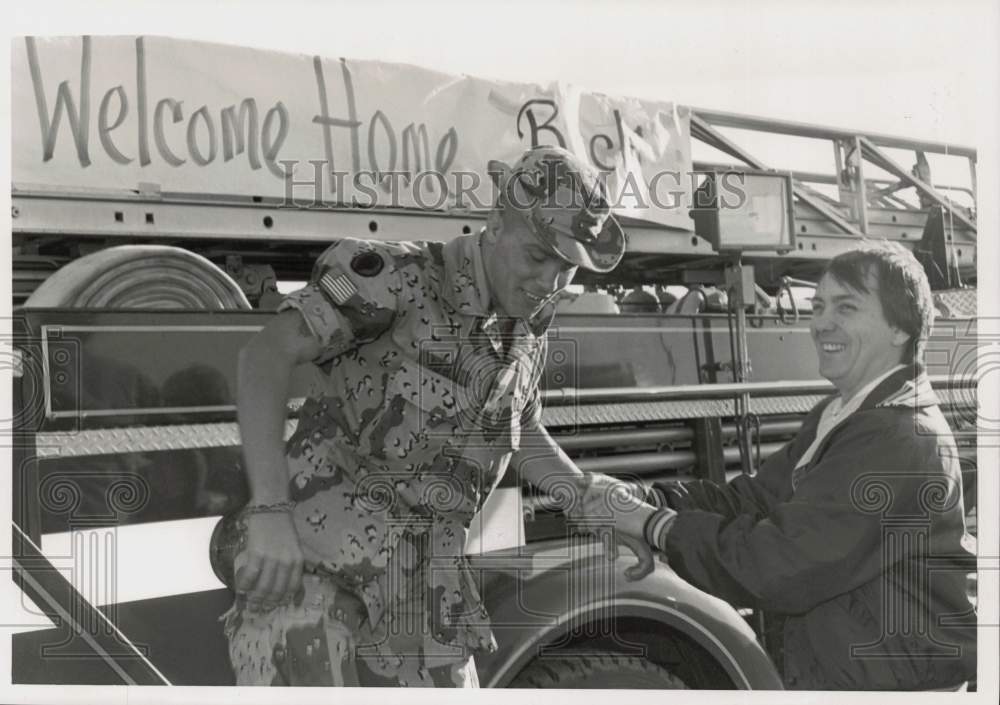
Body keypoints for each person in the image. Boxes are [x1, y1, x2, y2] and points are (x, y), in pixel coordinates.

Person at [220, 145, 651, 687]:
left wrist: (590, 501)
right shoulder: (397, 279)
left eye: (566, 267)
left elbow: (515, 423)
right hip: (316, 586)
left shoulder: (524, 324)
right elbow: (263, 357)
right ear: (496, 224)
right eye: (538, 257)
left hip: (424, 602)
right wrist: (268, 510)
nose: (550, 282)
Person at [600, 242, 977, 689]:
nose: (821, 323)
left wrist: (655, 526)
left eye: (846, 307)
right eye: (817, 306)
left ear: (901, 328)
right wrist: (645, 499)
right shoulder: (841, 414)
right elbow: (755, 499)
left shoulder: (898, 437)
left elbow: (780, 564)